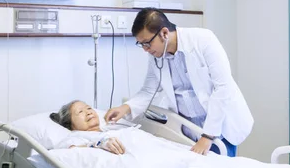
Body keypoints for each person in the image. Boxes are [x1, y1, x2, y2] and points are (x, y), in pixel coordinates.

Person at [104, 8, 253, 157]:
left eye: (147, 43)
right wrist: (127, 107)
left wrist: (208, 136)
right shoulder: (157, 56)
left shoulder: (203, 40)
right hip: (188, 131)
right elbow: (149, 90)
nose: (145, 50)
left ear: (164, 33)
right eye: (141, 44)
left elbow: (223, 88)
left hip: (219, 128)